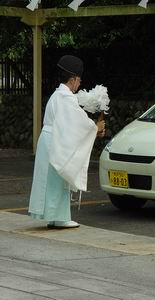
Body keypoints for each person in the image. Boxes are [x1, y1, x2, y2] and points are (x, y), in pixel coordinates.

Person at [28, 55, 105, 229]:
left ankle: (55, 217)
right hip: (54, 140)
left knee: (53, 179)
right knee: (59, 177)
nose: (80, 83)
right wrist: (95, 128)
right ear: (73, 79)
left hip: (50, 139)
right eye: (79, 79)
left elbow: (72, 122)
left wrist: (93, 128)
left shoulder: (59, 94)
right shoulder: (65, 97)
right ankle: (60, 217)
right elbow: (77, 123)